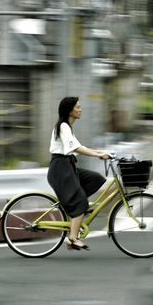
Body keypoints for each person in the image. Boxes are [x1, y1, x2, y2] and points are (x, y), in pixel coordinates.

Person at [46, 96, 112, 251]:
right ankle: (73, 239)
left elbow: (78, 146)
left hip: (68, 166)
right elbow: (75, 149)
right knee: (80, 202)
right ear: (70, 110)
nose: (80, 110)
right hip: (60, 168)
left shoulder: (67, 126)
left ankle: (77, 206)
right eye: (78, 107)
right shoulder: (63, 126)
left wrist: (101, 152)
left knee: (95, 179)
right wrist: (97, 155)